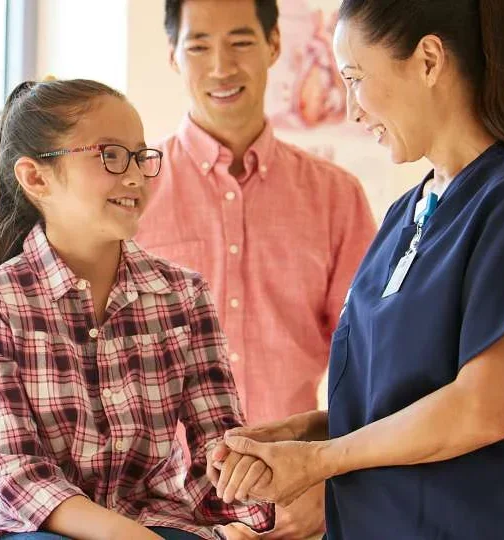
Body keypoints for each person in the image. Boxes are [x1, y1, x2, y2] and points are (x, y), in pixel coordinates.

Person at [207, 0, 504, 538]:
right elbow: (397, 404)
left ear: (428, 61)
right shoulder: (408, 212)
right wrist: (300, 435)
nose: (352, 110)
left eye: (355, 78)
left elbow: (485, 407)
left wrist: (319, 461)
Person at [0, 78, 274, 540]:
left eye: (140, 156)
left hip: (158, 521)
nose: (135, 177)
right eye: (110, 155)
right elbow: (19, 474)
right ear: (36, 178)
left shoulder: (184, 295)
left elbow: (218, 446)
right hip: (38, 528)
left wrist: (243, 516)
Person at [135, 2, 376, 537]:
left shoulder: (336, 198)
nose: (221, 67)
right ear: (173, 56)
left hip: (294, 509)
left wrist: (327, 483)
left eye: (241, 42)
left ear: (273, 45)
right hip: (154, 515)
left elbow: (369, 366)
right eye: (199, 46)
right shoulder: (131, 192)